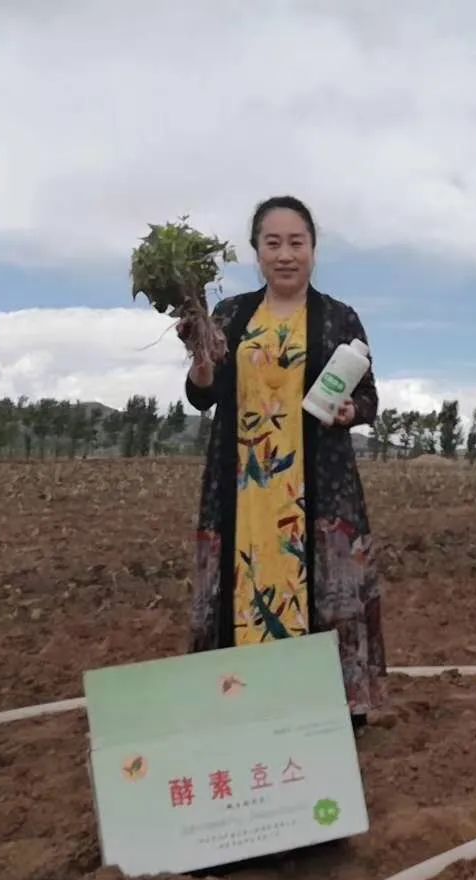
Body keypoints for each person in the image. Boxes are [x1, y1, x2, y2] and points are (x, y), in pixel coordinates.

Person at [183, 195, 385, 731]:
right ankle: (240, 709)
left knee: (322, 591)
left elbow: (368, 398)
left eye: (297, 242)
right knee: (242, 588)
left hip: (317, 487)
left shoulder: (339, 317)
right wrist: (202, 361)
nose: (285, 254)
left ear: (314, 250)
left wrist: (349, 410)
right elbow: (202, 395)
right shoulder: (229, 315)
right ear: (256, 252)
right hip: (244, 492)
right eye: (273, 243)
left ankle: (330, 717)